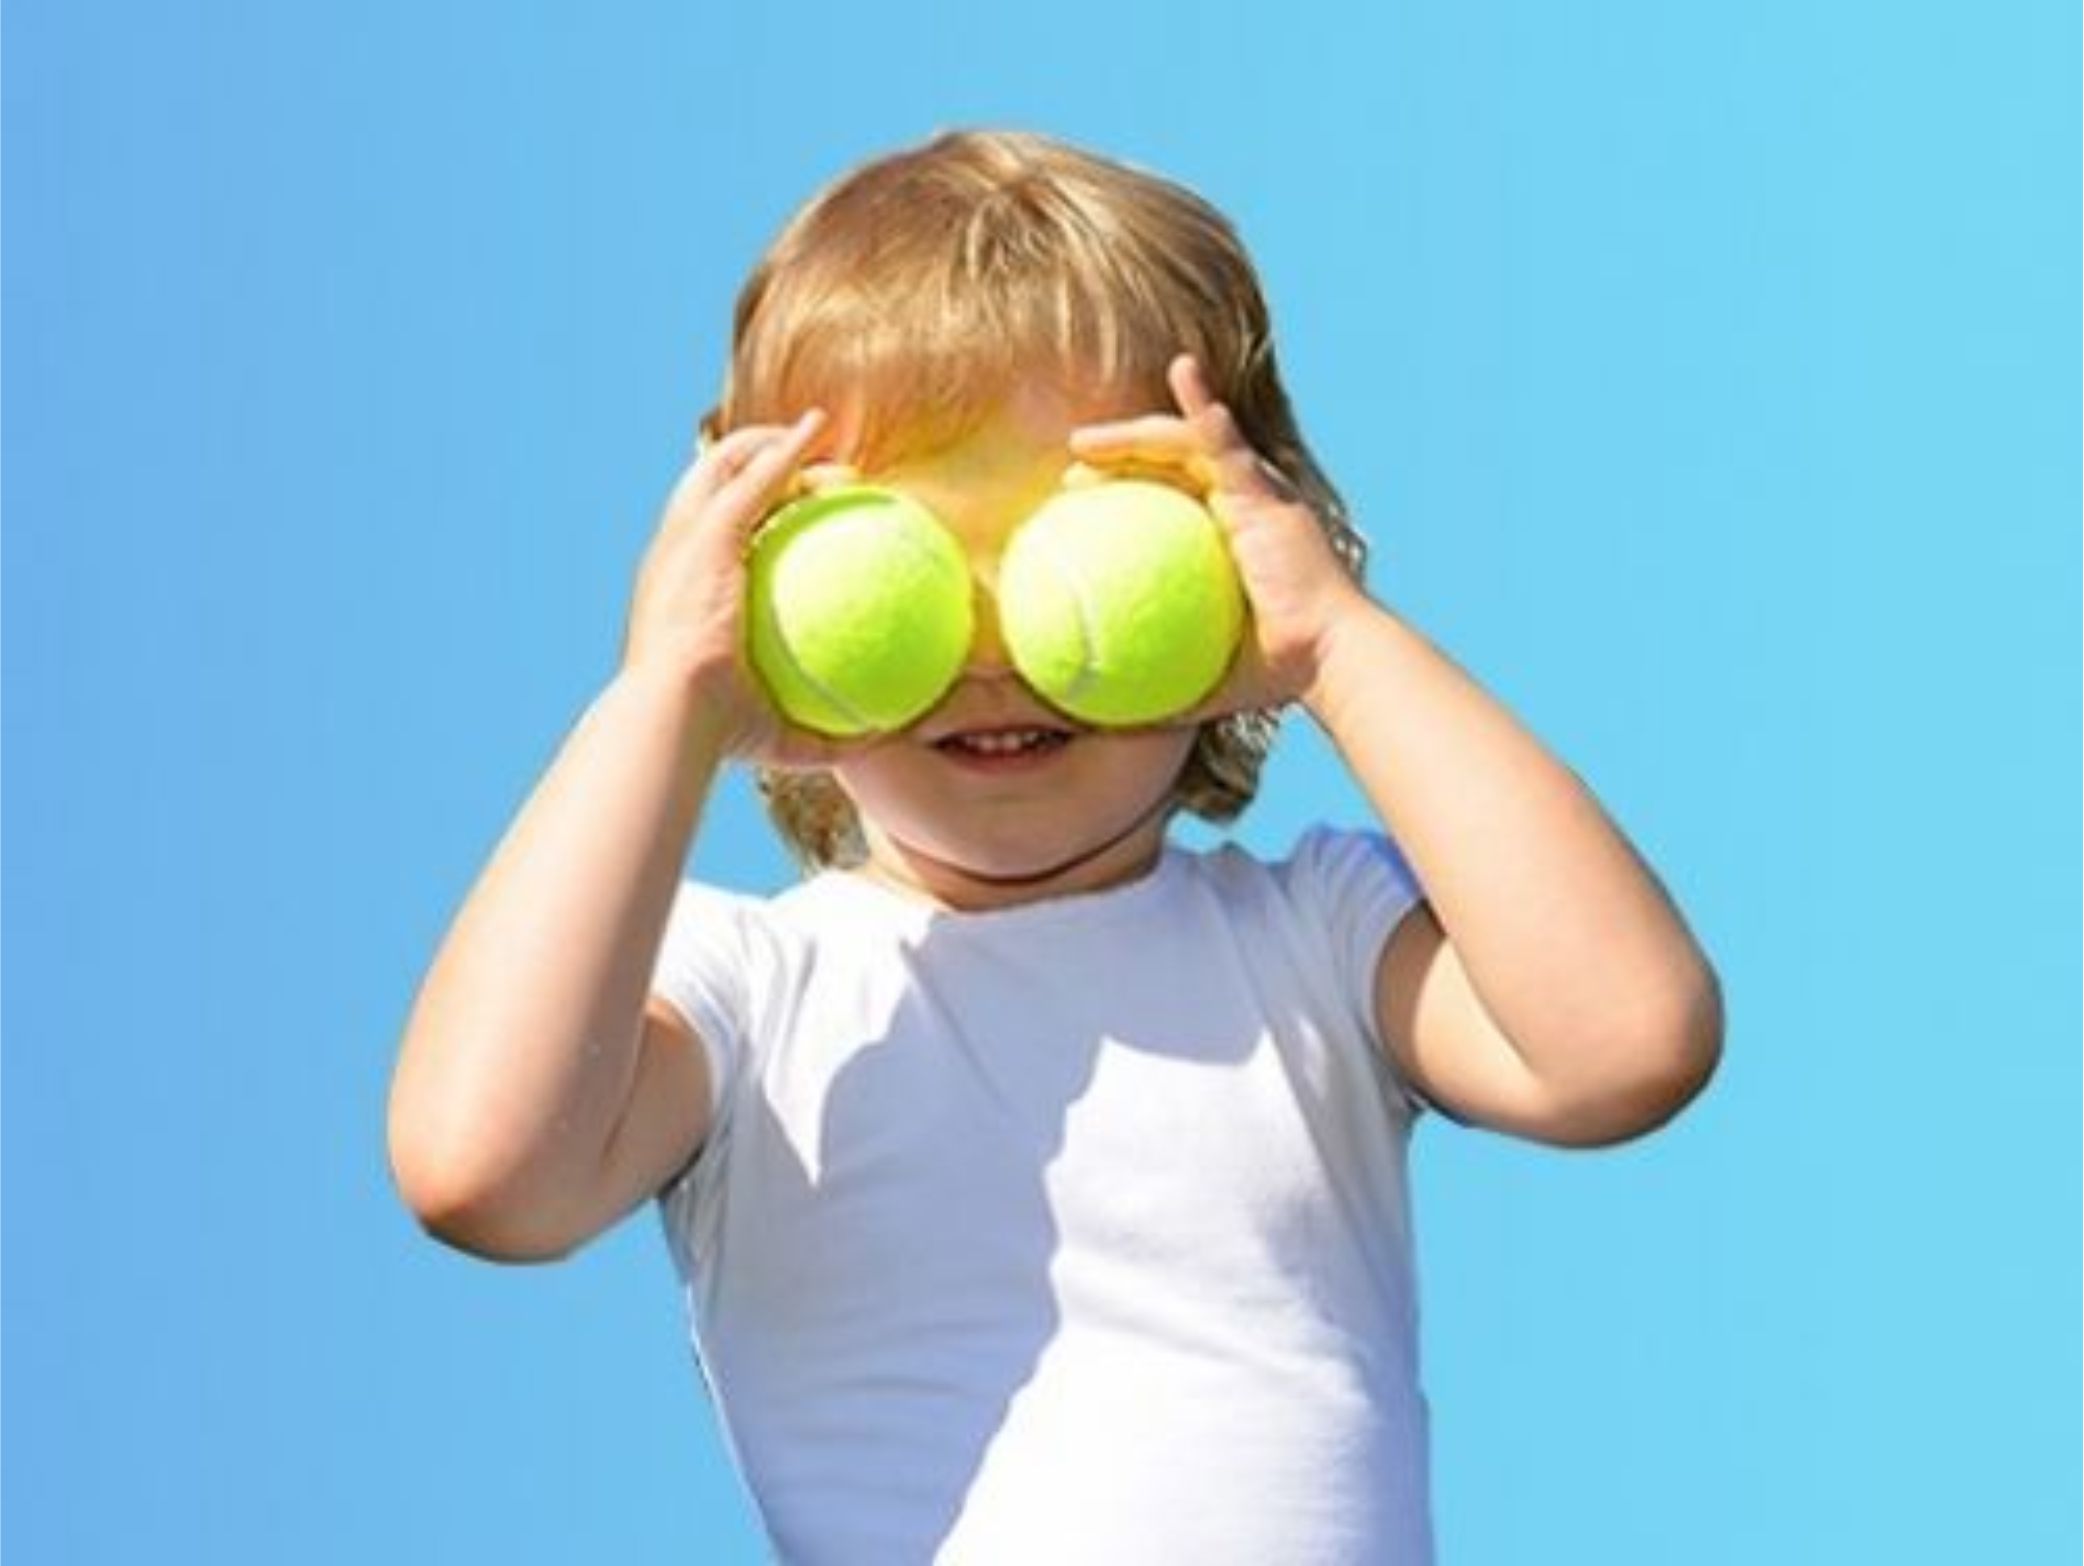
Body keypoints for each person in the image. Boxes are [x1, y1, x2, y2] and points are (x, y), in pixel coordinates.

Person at [387, 127, 1724, 1564]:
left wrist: (1339, 644)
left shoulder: (1318, 938)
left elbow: (1624, 1045)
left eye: (1068, 555)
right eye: (900, 568)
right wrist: (665, 697)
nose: (993, 657)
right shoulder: (747, 990)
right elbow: (485, 1170)